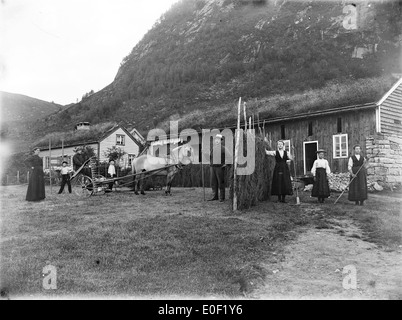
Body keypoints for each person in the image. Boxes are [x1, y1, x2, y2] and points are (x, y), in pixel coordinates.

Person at [208, 134, 232, 202]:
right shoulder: (213, 148)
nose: (217, 141)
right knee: (213, 183)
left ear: (221, 141)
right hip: (212, 167)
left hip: (220, 168)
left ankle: (222, 197)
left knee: (221, 182)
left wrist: (226, 164)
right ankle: (214, 196)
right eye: (216, 140)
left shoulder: (224, 148)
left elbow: (230, 157)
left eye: (218, 140)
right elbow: (210, 157)